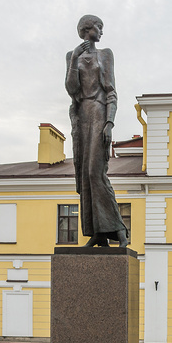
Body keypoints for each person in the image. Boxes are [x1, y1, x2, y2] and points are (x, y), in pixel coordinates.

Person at [65, 15, 129, 247]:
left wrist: (109, 122)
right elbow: (72, 89)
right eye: (98, 27)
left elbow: (111, 91)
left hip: (100, 113)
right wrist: (74, 58)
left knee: (95, 172)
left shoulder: (105, 54)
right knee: (84, 176)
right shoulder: (72, 57)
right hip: (81, 118)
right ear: (85, 29)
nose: (101, 32)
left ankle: (119, 228)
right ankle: (98, 232)